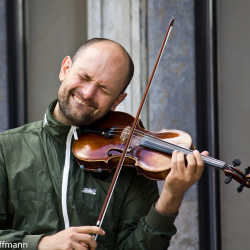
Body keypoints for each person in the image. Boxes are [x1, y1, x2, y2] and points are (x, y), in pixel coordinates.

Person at [0, 38, 208, 250]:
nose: (88, 93)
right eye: (84, 77)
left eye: (104, 89)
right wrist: (41, 244)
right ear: (65, 69)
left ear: (117, 101)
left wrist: (171, 197)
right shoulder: (6, 149)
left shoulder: (129, 161)